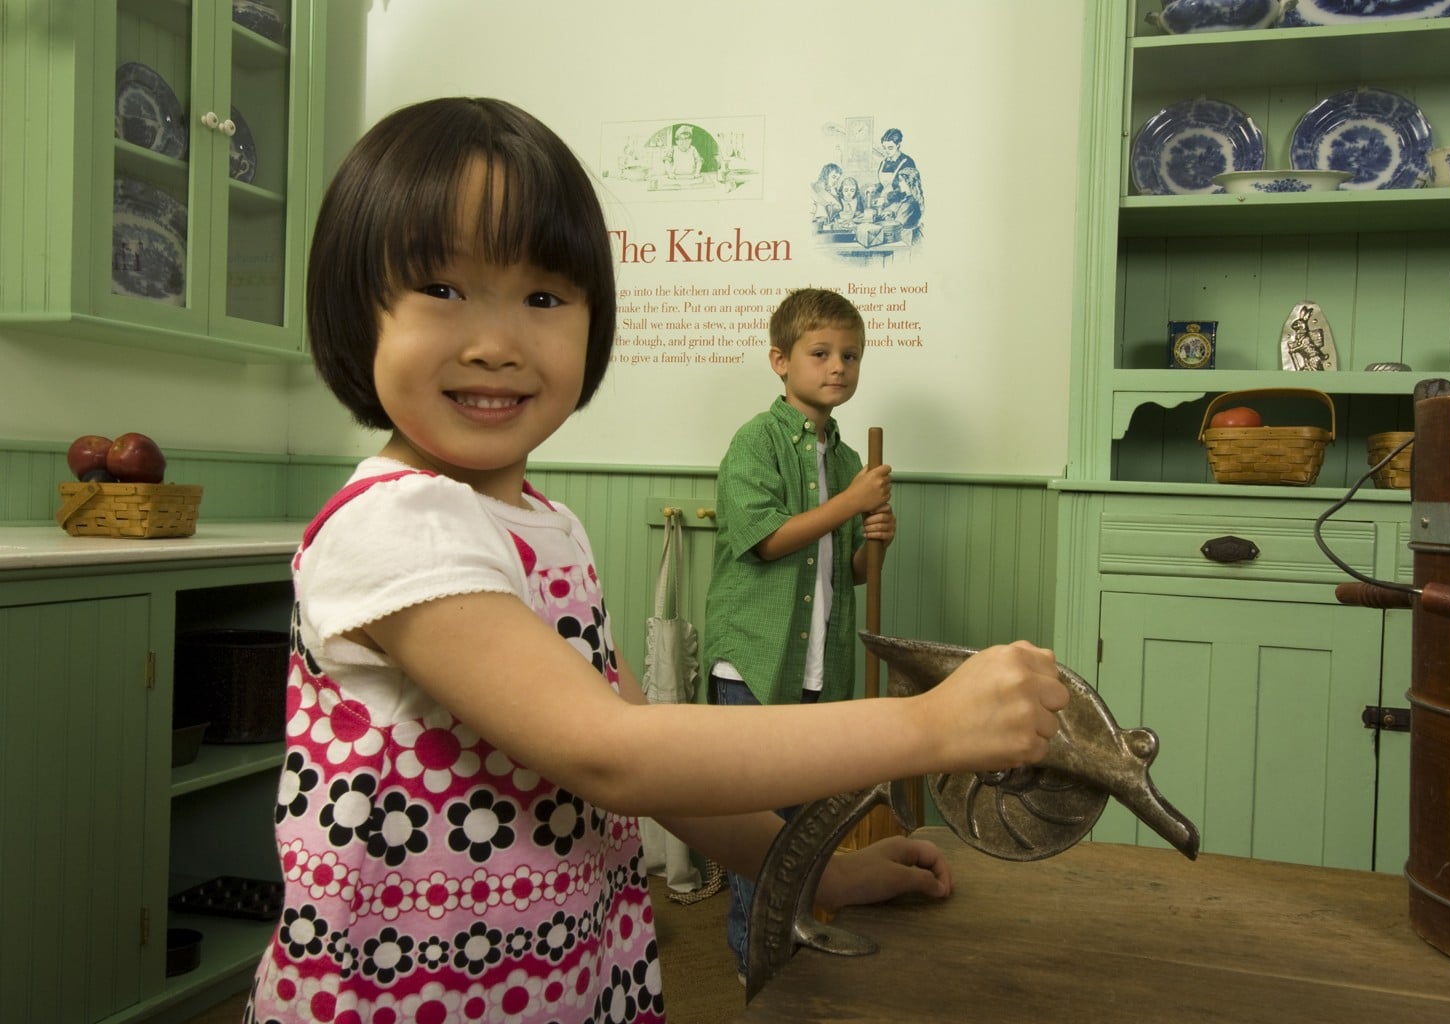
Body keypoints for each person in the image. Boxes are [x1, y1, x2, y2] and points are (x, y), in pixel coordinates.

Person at [245, 97, 1067, 1024]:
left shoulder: (545, 525)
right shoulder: (397, 528)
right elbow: (617, 757)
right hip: (407, 999)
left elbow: (663, 761)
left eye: (544, 298)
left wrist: (820, 869)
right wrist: (931, 726)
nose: (496, 341)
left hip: (570, 981)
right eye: (442, 289)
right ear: (357, 309)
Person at [701, 287, 895, 982]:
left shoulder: (845, 462)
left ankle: (792, 942)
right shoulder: (756, 443)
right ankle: (757, 959)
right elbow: (764, 542)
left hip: (816, 669)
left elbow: (849, 574)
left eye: (850, 355)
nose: (837, 366)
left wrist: (875, 540)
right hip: (757, 664)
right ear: (781, 361)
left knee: (805, 827)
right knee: (763, 834)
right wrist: (851, 504)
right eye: (821, 353)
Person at [876, 127, 918, 194]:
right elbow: (884, 185)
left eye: (890, 148)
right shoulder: (884, 162)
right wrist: (875, 188)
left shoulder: (907, 162)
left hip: (903, 202)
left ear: (898, 145)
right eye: (884, 148)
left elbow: (911, 189)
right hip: (885, 200)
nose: (886, 151)